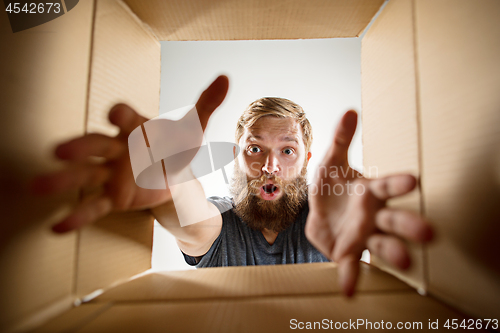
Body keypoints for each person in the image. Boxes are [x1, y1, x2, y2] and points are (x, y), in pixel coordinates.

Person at [31, 75, 433, 296]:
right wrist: (167, 180)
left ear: (308, 159)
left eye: (288, 151)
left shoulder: (330, 218)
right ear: (238, 156)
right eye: (255, 148)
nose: (270, 166)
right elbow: (192, 217)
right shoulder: (220, 223)